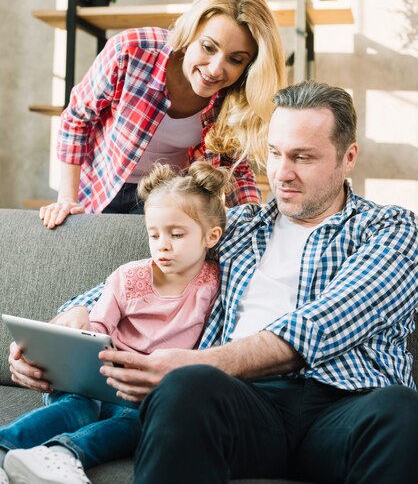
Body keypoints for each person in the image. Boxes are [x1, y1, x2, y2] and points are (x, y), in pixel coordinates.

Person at [11, 81, 418, 483]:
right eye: (275, 154)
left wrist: (201, 361)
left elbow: (330, 321)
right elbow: (148, 275)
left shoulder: (391, 229)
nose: (282, 173)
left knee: (402, 411)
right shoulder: (239, 226)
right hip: (245, 402)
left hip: (348, 406)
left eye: (303, 157)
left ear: (348, 157)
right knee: (187, 388)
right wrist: (63, 325)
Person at [2, 161, 228, 484]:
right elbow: (96, 332)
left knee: (141, 422)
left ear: (211, 236)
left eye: (176, 234)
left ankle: (59, 455)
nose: (162, 244)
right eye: (154, 234)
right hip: (94, 383)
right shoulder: (127, 278)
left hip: (141, 397)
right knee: (80, 409)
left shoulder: (213, 286)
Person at [39, 0, 286, 229]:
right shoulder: (131, 50)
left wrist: (254, 223)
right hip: (100, 186)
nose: (214, 70)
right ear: (191, 32)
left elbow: (235, 169)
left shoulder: (235, 97)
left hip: (165, 198)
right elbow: (77, 119)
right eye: (208, 47)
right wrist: (67, 199)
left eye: (235, 59)